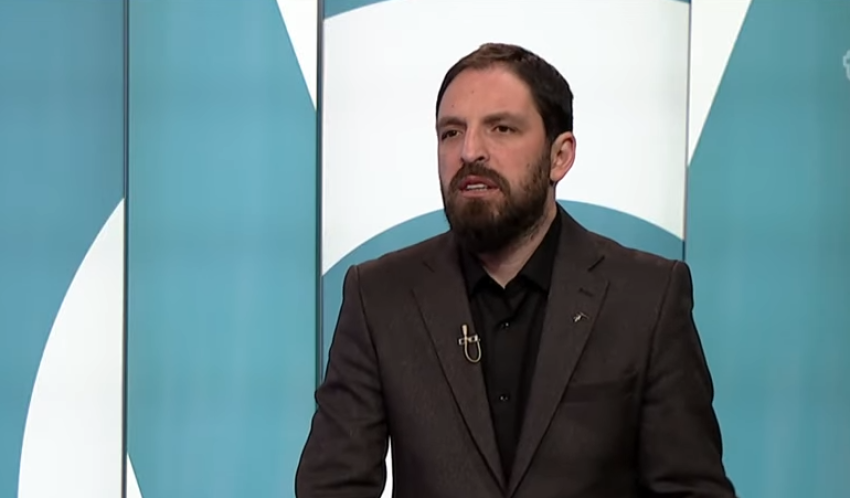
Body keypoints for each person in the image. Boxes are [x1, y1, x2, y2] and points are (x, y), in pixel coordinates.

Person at [295, 42, 737, 498]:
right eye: (451, 132)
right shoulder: (380, 296)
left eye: (501, 128)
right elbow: (332, 487)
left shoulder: (646, 298)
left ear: (560, 156)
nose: (470, 151)